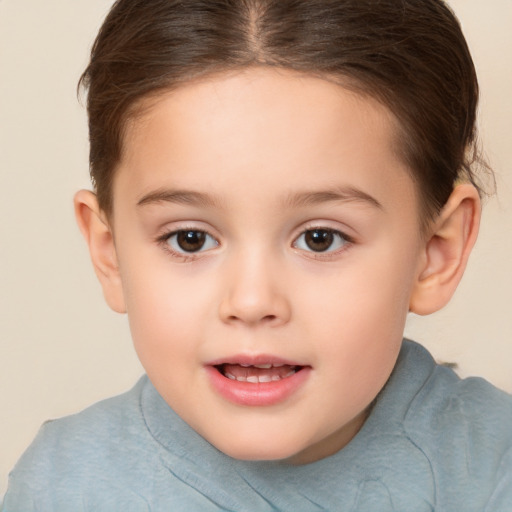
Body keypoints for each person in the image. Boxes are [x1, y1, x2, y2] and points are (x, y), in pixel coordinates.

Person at [3, 0, 511, 510]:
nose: (251, 301)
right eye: (190, 239)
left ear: (435, 252)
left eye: (320, 238)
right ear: (109, 252)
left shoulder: (493, 472)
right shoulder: (61, 485)